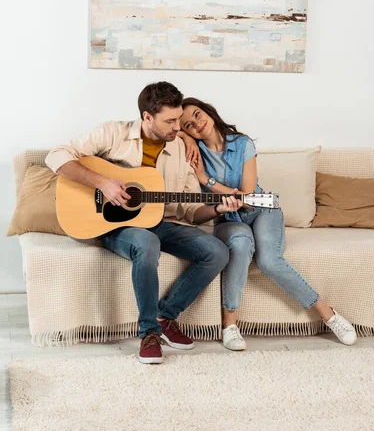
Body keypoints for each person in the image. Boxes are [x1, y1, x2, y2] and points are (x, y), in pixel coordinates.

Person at [45, 82, 242, 364]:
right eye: (171, 121)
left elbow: (188, 210)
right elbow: (56, 155)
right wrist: (103, 183)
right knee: (147, 242)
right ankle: (148, 332)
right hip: (114, 226)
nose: (179, 127)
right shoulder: (113, 133)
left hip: (159, 220)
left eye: (179, 119)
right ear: (147, 117)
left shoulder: (182, 150)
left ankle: (167, 317)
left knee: (217, 251)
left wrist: (217, 208)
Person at [179, 97, 357, 351]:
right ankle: (229, 325)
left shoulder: (243, 143)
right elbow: (167, 135)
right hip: (227, 218)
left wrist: (206, 181)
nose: (196, 125)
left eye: (197, 115)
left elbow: (248, 194)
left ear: (207, 111)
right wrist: (185, 139)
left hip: (261, 208)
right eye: (188, 126)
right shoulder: (191, 152)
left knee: (269, 261)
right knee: (240, 245)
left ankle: (329, 315)